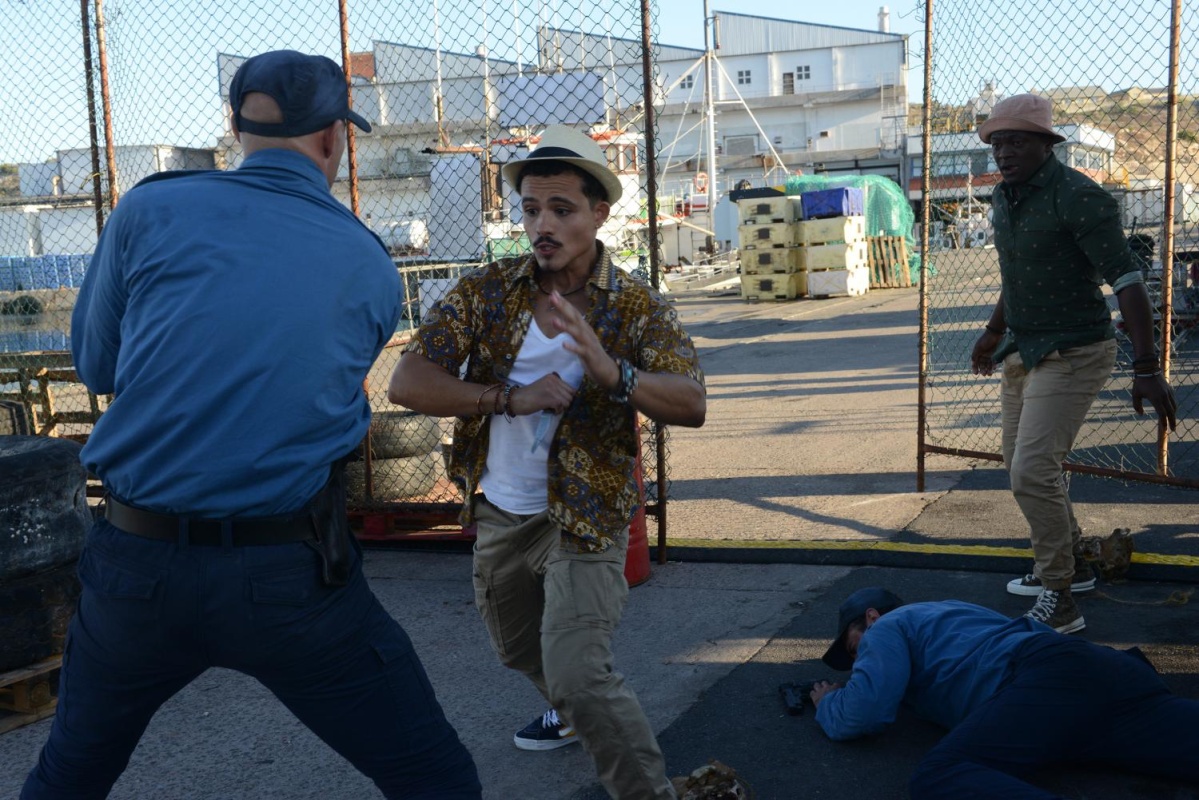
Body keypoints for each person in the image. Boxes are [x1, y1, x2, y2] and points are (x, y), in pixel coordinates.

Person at [22, 50, 481, 799]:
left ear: (237, 129)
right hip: (286, 573)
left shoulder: (147, 210)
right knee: (434, 776)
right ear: (332, 137)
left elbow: (98, 367)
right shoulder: (366, 261)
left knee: (68, 776)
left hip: (136, 566)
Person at [388, 125, 706, 799]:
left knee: (579, 674)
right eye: (531, 209)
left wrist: (613, 372)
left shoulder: (636, 305)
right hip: (500, 511)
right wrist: (508, 397)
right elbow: (408, 381)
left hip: (584, 517)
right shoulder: (488, 291)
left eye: (562, 209)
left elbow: (691, 402)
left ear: (600, 212)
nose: (542, 225)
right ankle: (575, 710)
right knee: (517, 650)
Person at [969, 93, 1177, 633]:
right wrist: (993, 332)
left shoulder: (1079, 197)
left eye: (1017, 142)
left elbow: (1128, 280)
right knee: (1020, 464)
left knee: (1032, 469)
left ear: (1046, 144)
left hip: (1075, 351)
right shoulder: (1004, 197)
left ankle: (1060, 596)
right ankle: (1074, 562)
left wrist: (1147, 366)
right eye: (997, 143)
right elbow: (1017, 272)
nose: (1004, 153)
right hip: (1024, 349)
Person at [811, 587, 1199, 799]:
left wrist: (828, 703)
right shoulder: (952, 610)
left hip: (1045, 682)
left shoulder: (886, 626)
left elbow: (863, 712)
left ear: (871, 616)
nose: (858, 662)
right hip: (1108, 672)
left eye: (853, 648)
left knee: (940, 776)